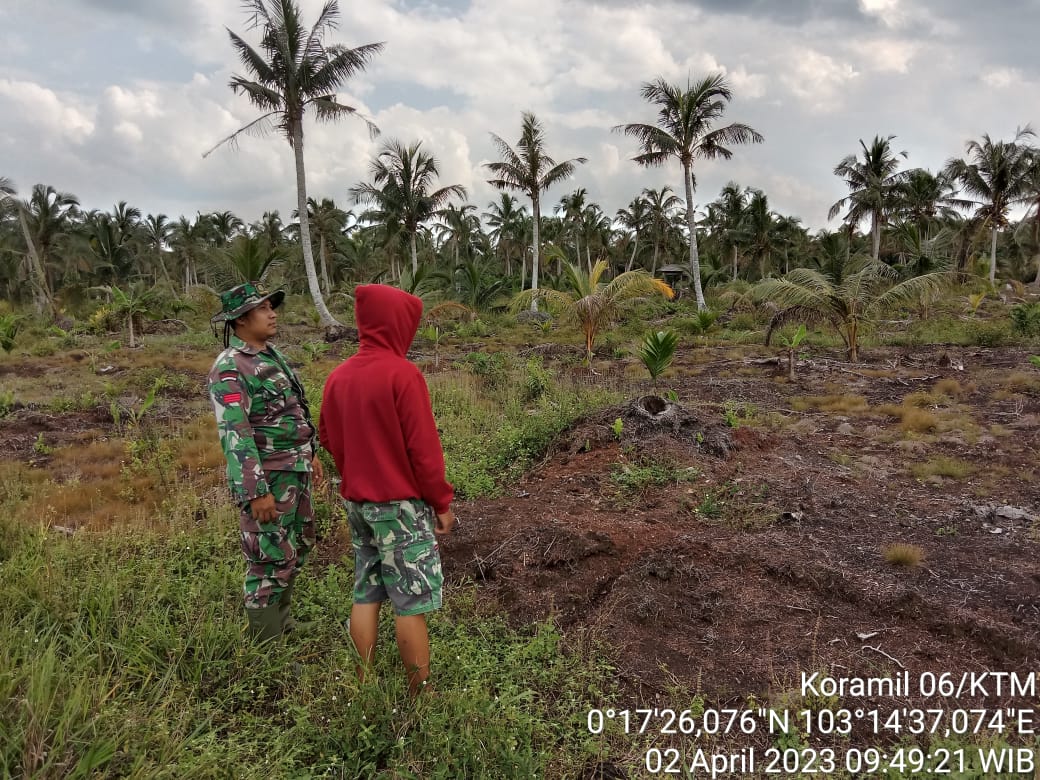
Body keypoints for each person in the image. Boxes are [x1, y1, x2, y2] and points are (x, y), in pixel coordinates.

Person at [319, 284, 456, 696]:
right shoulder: (403, 374)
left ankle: (363, 681)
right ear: (397, 324)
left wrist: (357, 469)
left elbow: (327, 436)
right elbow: (424, 452)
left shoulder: (338, 377)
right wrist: (441, 504)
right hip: (399, 510)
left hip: (358, 504)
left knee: (366, 591)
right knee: (410, 600)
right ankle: (420, 694)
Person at [207, 281, 323, 642]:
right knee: (268, 557)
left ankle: (282, 623)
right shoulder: (231, 366)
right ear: (240, 319)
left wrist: (312, 455)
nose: (272, 313)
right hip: (268, 478)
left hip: (294, 471)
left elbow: (292, 411)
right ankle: (266, 646)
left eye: (272, 306)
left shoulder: (270, 355)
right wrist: (255, 491)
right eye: (263, 308)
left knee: (297, 546)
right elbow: (235, 432)